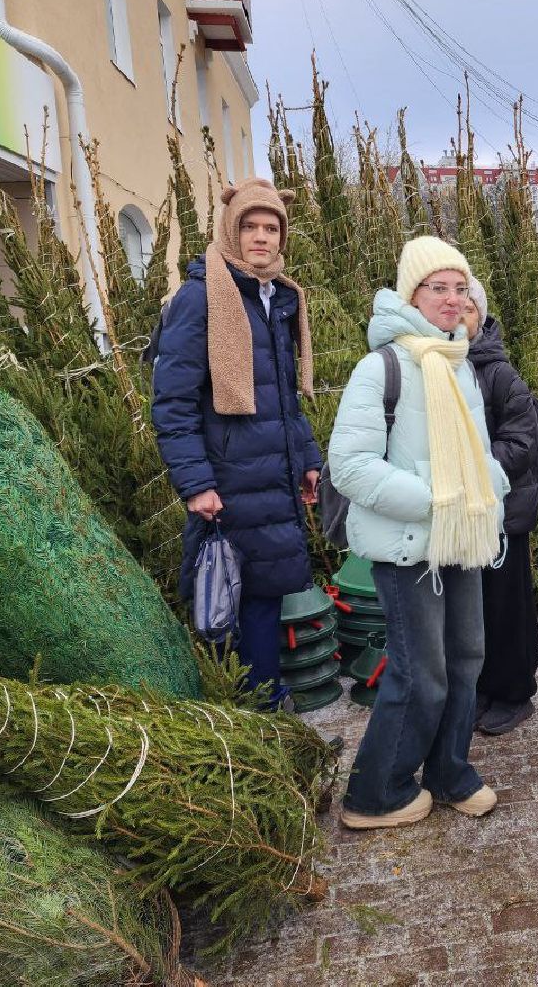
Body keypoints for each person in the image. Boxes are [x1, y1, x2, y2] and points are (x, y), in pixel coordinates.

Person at [329, 235, 510, 830]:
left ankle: (449, 772)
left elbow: (477, 452)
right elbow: (350, 466)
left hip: (462, 540)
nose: (452, 299)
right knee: (420, 674)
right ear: (412, 295)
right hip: (410, 548)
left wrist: (490, 488)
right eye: (438, 288)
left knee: (466, 660)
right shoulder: (380, 367)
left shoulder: (459, 363)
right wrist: (435, 501)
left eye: (461, 287)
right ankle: (375, 793)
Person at [151, 178, 322, 710]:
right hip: (228, 482)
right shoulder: (201, 298)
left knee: (264, 597)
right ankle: (255, 710)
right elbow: (173, 402)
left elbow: (284, 397)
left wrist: (307, 458)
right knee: (232, 600)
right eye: (250, 226)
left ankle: (265, 703)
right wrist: (195, 483)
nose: (261, 237)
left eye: (272, 228)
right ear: (231, 229)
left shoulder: (277, 297)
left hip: (272, 475)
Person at [462, 281, 538, 736]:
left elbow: (521, 443)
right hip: (466, 512)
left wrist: (472, 468)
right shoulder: (441, 368)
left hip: (504, 510)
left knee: (507, 604)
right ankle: (482, 687)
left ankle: (514, 693)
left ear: (482, 316)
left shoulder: (500, 375)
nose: (460, 315)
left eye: (469, 307)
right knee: (475, 606)